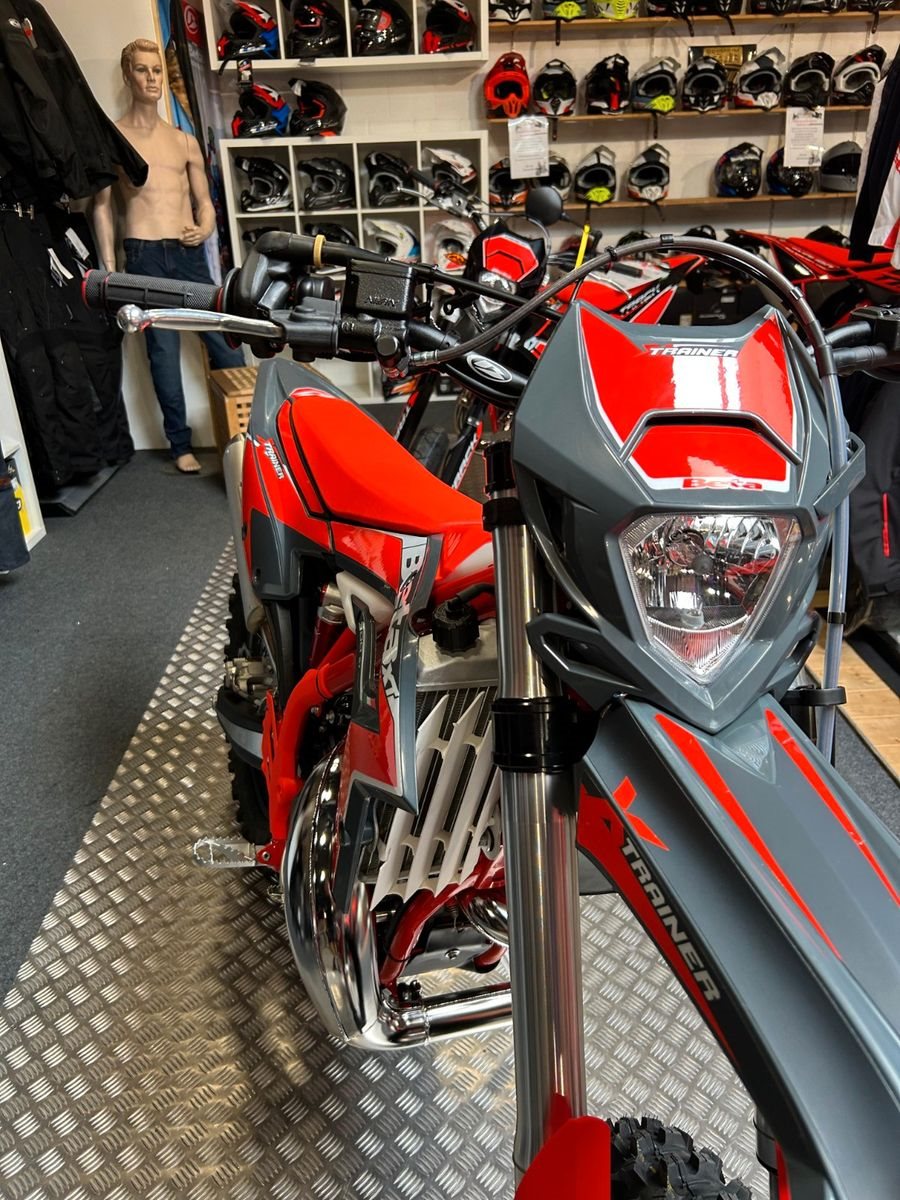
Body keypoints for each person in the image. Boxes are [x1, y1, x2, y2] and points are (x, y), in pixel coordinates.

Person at [92, 38, 244, 475]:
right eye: (142, 70)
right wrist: (110, 270)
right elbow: (102, 206)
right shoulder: (114, 138)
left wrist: (205, 226)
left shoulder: (183, 141)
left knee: (226, 339)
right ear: (128, 76)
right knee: (163, 353)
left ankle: (246, 431)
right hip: (144, 254)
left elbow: (206, 203)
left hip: (188, 252)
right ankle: (180, 444)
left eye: (157, 69)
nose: (152, 78)